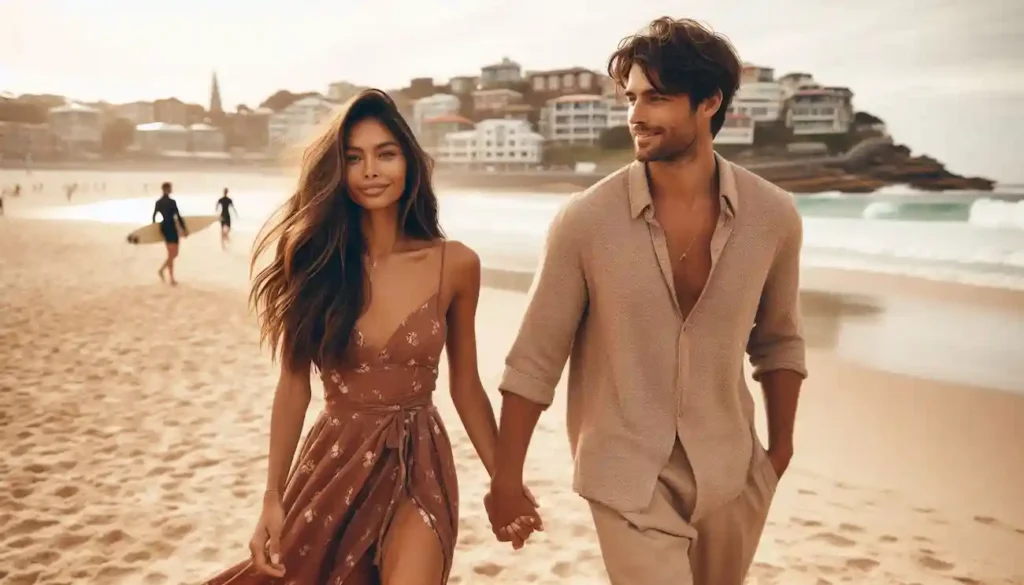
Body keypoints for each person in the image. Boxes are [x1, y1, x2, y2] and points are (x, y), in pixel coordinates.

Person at [484, 16, 807, 585]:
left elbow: (779, 341)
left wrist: (776, 455)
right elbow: (534, 358)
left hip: (731, 472)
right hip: (624, 473)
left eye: (656, 98)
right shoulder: (585, 220)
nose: (636, 115)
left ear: (710, 102)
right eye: (632, 97)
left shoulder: (773, 216)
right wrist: (506, 480)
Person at [201, 89, 538, 585]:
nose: (371, 171)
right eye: (354, 158)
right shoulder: (313, 263)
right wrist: (271, 496)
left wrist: (504, 480)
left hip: (419, 461)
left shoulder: (456, 264)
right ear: (338, 171)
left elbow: (465, 386)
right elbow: (294, 387)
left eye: (386, 153)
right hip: (335, 463)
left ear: (410, 162)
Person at [153, 182, 188, 285]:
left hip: (164, 228)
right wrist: (184, 229)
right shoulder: (172, 202)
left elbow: (154, 216)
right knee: (173, 254)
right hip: (172, 227)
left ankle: (162, 270)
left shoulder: (158, 202)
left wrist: (156, 228)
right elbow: (178, 216)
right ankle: (171, 278)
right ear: (167, 189)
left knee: (173, 254)